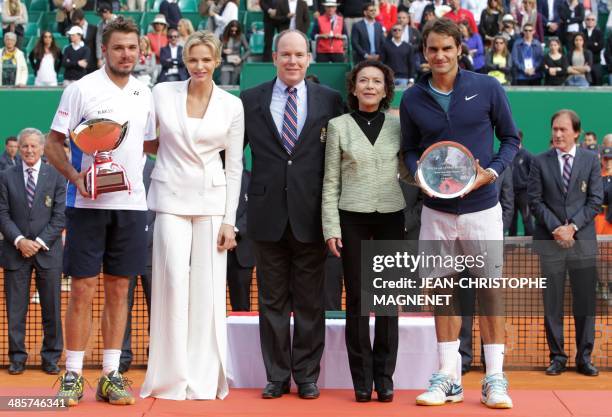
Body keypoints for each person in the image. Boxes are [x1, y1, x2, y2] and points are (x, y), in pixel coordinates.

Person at [401, 18, 519, 409]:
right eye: (432, 49)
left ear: (459, 49)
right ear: (424, 52)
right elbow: (409, 149)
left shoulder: (487, 87)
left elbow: (511, 139)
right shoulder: (413, 97)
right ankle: (448, 377)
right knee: (442, 291)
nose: (439, 56)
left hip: (482, 209)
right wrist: (420, 170)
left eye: (446, 49)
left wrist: (493, 172)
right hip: (436, 211)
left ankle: (494, 379)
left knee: (490, 292)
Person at [45, 16, 156, 407]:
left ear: (141, 50)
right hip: (86, 206)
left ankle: (111, 374)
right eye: (118, 47)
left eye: (132, 47)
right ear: (103, 50)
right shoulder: (80, 89)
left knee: (120, 290)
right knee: (81, 289)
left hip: (132, 205)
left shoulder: (146, 93)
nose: (126, 54)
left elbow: (153, 144)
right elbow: (53, 143)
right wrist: (78, 179)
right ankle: (73, 374)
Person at [240, 29, 343, 400]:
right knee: (271, 302)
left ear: (309, 58)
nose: (293, 61)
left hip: (312, 217)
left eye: (299, 55)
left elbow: (342, 159)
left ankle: (307, 375)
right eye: (286, 54)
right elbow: (232, 159)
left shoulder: (331, 101)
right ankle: (277, 376)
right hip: (266, 216)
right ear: (274, 57)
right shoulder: (249, 100)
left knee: (311, 303)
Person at [141, 30, 243, 400]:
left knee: (208, 290)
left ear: (217, 61)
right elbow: (146, 139)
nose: (199, 66)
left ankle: (202, 379)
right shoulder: (161, 92)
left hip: (212, 204)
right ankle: (169, 378)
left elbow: (234, 167)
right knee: (169, 284)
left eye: (206, 60)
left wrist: (230, 220)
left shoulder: (232, 105)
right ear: (184, 61)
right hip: (169, 197)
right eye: (192, 60)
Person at [322, 60, 404, 403]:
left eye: (377, 81)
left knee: (386, 300)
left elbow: (410, 171)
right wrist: (331, 226)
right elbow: (330, 181)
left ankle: (385, 378)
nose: (370, 86)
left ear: (386, 90)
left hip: (390, 216)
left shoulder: (400, 126)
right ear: (353, 88)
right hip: (351, 217)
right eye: (363, 81)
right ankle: (362, 379)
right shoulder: (338, 126)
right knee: (356, 299)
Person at [528, 109, 601, 377]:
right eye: (555, 129)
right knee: (552, 303)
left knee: (585, 303)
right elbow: (535, 201)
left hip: (582, 242)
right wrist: (557, 229)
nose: (557, 134)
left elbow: (595, 200)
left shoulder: (591, 160)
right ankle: (557, 357)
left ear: (576, 133)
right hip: (550, 242)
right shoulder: (539, 161)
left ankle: (584, 358)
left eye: (563, 130)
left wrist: (572, 228)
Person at [0, 128, 66, 376]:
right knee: (15, 310)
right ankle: (17, 358)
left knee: (51, 309)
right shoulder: (6, 176)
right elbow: (2, 214)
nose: (29, 150)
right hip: (15, 253)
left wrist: (37, 242)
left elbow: (60, 217)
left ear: (42, 149)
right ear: (19, 147)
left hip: (48, 254)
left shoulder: (57, 176)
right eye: (25, 146)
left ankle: (51, 357)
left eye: (33, 146)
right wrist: (19, 240)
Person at [119, 156, 155, 373]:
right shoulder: (118, 165)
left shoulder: (160, 165)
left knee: (158, 306)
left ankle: (157, 355)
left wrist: (149, 234)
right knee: (121, 303)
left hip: (154, 249)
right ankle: (121, 356)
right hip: (123, 248)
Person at [227, 169, 256, 311]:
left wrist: (234, 230)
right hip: (214, 249)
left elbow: (255, 209)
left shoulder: (251, 179)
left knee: (242, 307)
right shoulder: (212, 176)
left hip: (242, 252)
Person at [509, 131, 535, 236]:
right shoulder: (509, 154)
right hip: (510, 192)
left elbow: (533, 174)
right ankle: (511, 244)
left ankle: (530, 244)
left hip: (524, 193)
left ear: (520, 139)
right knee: (511, 218)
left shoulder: (527, 155)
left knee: (526, 217)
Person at [220, 20, 250, 85]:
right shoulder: (222, 36)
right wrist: (223, 51)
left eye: (236, 31)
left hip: (236, 64)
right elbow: (216, 50)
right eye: (232, 30)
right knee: (224, 86)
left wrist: (241, 59)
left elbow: (248, 50)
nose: (234, 32)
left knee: (233, 85)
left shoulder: (241, 36)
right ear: (228, 29)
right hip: (225, 63)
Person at [71, 9, 98, 73]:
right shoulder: (73, 30)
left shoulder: (94, 28)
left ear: (82, 19)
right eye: (74, 23)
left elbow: (96, 45)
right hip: (78, 64)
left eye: (77, 23)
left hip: (92, 63)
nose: (76, 25)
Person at [583, 12, 604, 86]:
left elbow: (600, 47)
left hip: (596, 62)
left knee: (598, 83)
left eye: (592, 19)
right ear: (585, 21)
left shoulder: (599, 33)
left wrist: (587, 44)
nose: (590, 21)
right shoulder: (581, 33)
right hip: (583, 63)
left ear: (595, 22)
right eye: (588, 19)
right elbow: (580, 47)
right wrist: (594, 44)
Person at [95, 3, 117, 68]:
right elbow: (99, 41)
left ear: (107, 12)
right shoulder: (100, 24)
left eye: (102, 14)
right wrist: (99, 58)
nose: (101, 16)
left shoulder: (119, 21)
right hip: (105, 55)